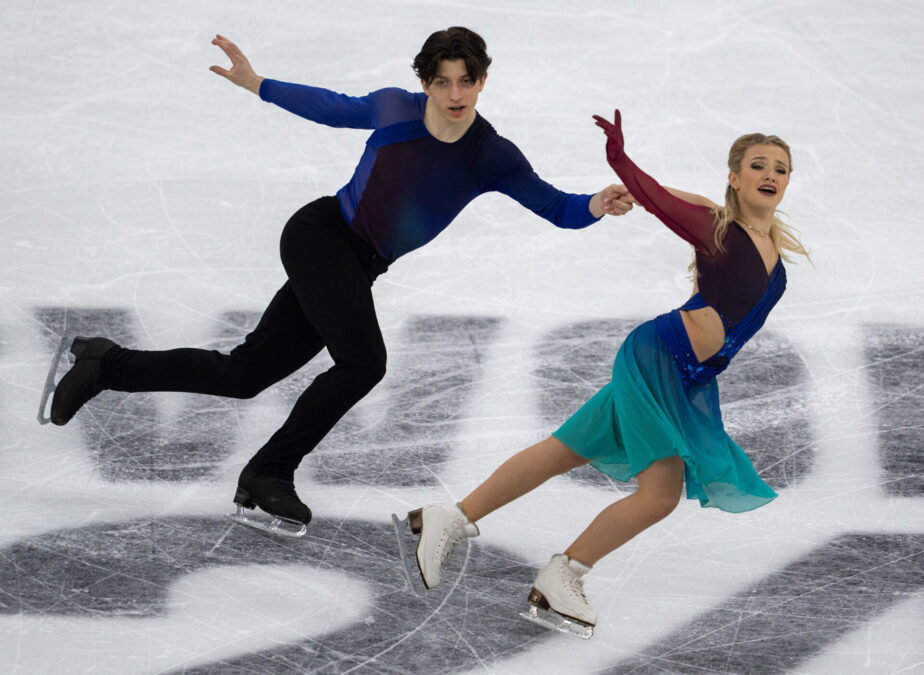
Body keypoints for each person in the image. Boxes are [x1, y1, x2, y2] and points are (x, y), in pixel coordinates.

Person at [45, 28, 630, 534]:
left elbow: (556, 207)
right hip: (321, 236)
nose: (455, 94)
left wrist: (597, 204)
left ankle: (105, 364)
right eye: (443, 81)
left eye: (466, 81)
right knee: (364, 362)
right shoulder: (394, 110)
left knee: (245, 375)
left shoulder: (491, 156)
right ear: (426, 82)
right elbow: (331, 105)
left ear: (482, 82)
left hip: (358, 264)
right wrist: (256, 82)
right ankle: (270, 471)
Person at [399, 109, 810, 637]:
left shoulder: (774, 245)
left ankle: (450, 516)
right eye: (758, 165)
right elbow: (660, 198)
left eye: (781, 168)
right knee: (659, 495)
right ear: (735, 177)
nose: (770, 174)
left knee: (563, 450)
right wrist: (619, 159)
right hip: (656, 359)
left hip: (687, 380)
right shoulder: (716, 225)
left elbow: (664, 196)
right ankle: (562, 575)